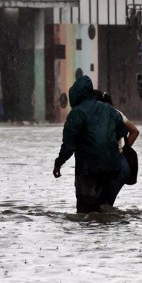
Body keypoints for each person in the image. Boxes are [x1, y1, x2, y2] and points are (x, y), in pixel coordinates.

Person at [52, 75, 129, 213]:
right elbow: (122, 131)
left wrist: (58, 163)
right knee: (104, 209)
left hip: (87, 170)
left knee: (84, 212)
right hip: (112, 168)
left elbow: (69, 144)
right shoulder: (109, 109)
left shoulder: (77, 113)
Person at [93, 90, 139, 206]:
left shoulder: (94, 116)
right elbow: (134, 131)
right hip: (122, 165)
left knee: (98, 207)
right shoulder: (117, 113)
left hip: (107, 166)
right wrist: (122, 151)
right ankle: (113, 222)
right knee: (106, 206)